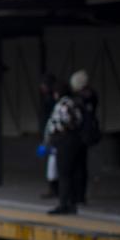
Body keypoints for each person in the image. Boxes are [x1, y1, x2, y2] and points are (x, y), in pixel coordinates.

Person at [45, 81, 84, 214]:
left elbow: (62, 122)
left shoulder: (62, 105)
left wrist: (56, 134)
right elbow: (78, 120)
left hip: (64, 142)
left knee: (64, 174)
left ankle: (63, 204)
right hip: (74, 141)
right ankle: (72, 203)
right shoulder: (74, 103)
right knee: (72, 173)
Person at [70, 69, 99, 204]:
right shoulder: (91, 96)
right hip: (85, 134)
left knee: (77, 166)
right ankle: (80, 195)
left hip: (80, 135)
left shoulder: (82, 99)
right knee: (81, 166)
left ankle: (78, 195)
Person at [37, 73, 58, 199]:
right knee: (52, 162)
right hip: (49, 134)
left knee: (52, 163)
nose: (41, 87)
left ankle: (54, 188)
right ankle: (54, 187)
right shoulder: (50, 99)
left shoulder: (50, 100)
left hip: (51, 135)